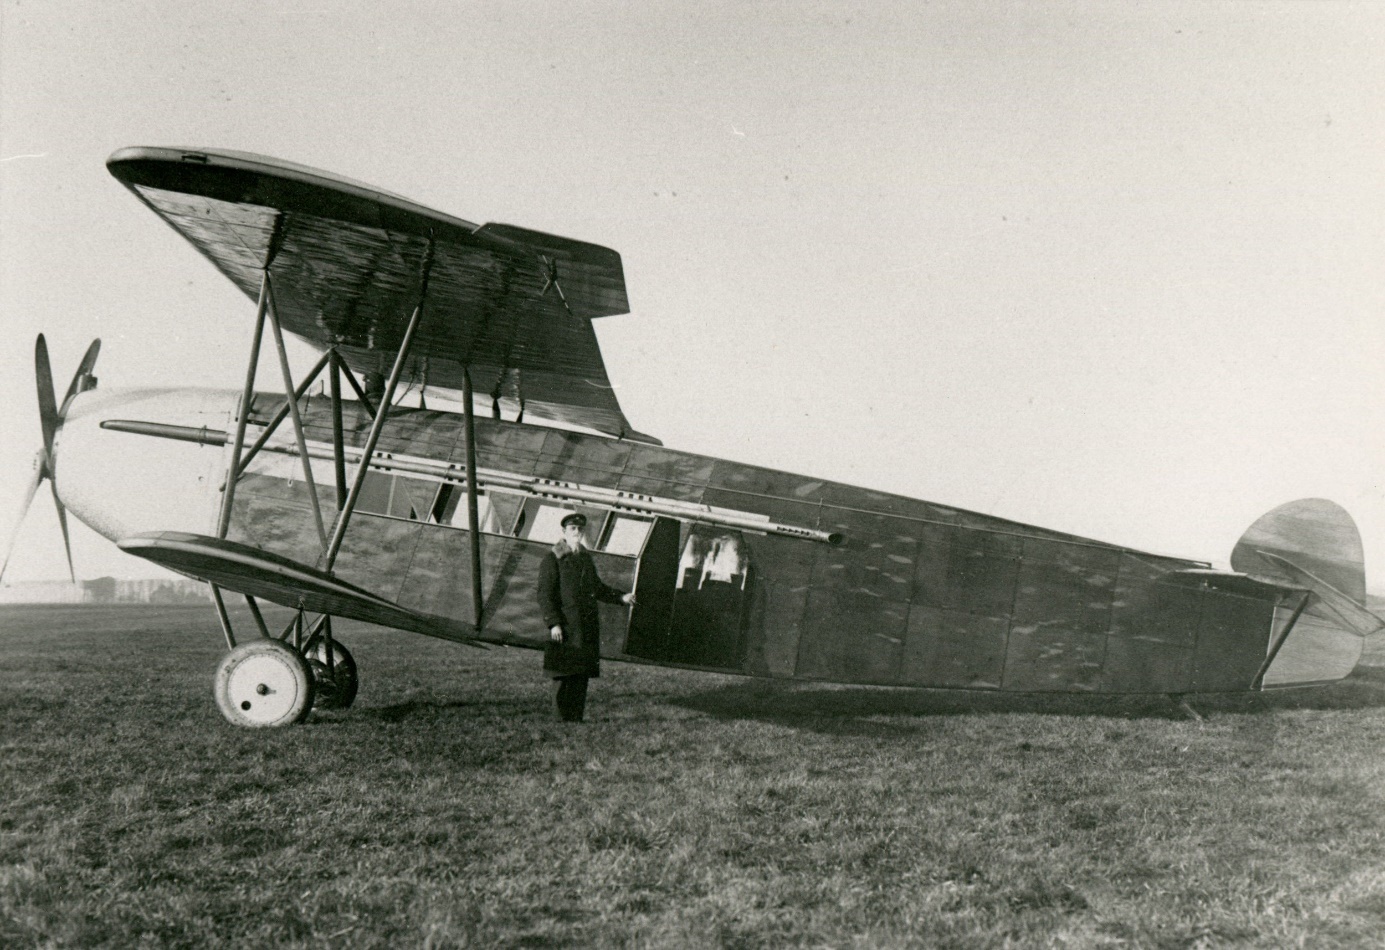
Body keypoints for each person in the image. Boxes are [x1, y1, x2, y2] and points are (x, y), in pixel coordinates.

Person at [536, 513, 635, 722]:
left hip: (585, 624)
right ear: (564, 532)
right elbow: (545, 595)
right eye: (573, 529)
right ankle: (561, 719)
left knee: (580, 673)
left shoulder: (585, 559)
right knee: (562, 673)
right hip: (565, 625)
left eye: (580, 529)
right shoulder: (552, 559)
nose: (577, 533)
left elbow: (597, 588)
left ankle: (576, 718)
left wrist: (621, 597)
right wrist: (554, 624)